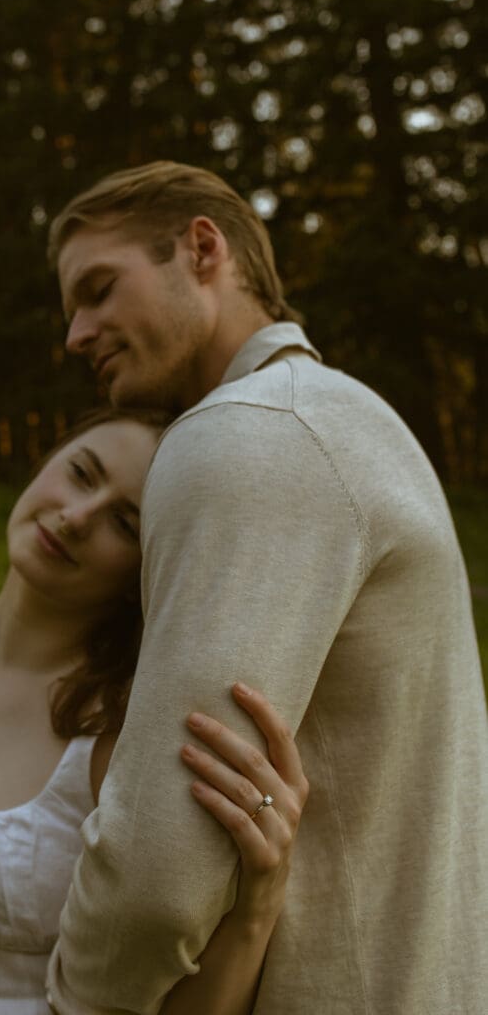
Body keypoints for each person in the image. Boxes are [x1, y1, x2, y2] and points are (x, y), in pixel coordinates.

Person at [44, 161, 488, 1014]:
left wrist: (76, 998)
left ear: (201, 249)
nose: (76, 335)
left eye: (98, 290)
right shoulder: (341, 419)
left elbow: (161, 867)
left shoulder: (253, 434)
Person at [0, 408, 309, 1015]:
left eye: (123, 522)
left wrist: (257, 908)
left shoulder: (123, 733)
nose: (75, 517)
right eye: (81, 474)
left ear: (146, 566)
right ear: (44, 463)